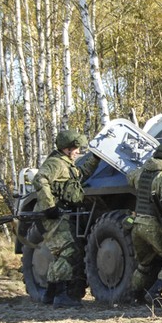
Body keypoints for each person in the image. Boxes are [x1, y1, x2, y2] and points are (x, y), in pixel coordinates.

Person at [33, 129, 100, 308]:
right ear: (67, 148)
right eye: (76, 148)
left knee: (60, 254)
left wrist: (96, 158)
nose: (78, 151)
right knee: (68, 251)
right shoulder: (56, 163)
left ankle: (51, 294)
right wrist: (49, 206)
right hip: (53, 215)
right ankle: (62, 297)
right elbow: (40, 179)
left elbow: (80, 175)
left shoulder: (67, 164)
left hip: (60, 213)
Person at [126, 143, 162, 306]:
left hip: (137, 225)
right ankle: (155, 292)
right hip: (153, 226)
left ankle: (135, 296)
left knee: (144, 264)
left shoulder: (141, 173)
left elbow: (130, 177)